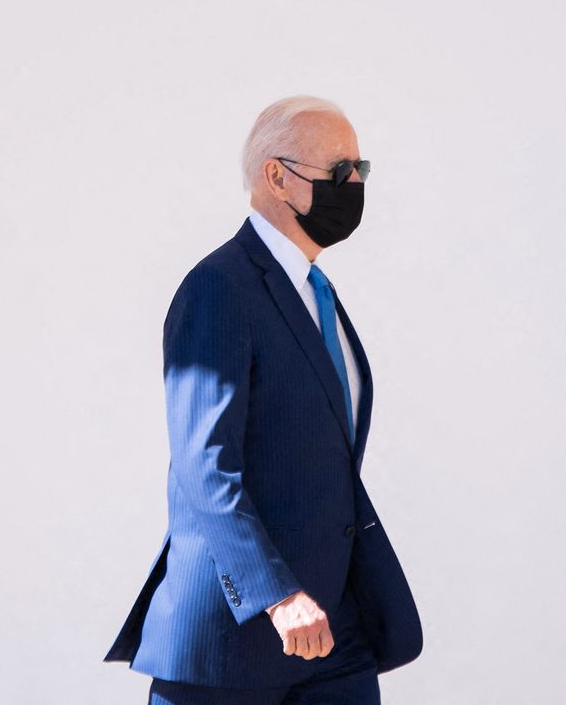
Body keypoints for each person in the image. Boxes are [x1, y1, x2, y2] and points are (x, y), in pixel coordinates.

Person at [104, 96, 423, 704]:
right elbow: (205, 468)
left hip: (333, 635)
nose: (354, 185)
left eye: (362, 170)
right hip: (234, 641)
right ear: (277, 176)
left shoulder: (313, 290)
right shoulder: (219, 289)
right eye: (338, 172)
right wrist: (277, 595)